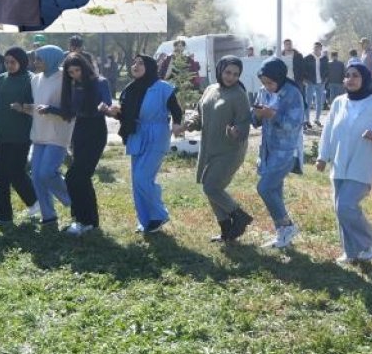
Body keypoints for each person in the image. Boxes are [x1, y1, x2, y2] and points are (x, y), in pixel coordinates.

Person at [316, 63, 372, 263]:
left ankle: (371, 240)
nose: (351, 79)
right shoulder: (339, 102)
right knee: (339, 208)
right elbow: (328, 130)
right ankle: (351, 252)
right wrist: (322, 156)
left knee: (346, 206)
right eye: (347, 76)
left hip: (362, 163)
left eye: (355, 75)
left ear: (364, 79)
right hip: (339, 163)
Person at [107, 55, 185, 232]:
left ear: (149, 67)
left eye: (140, 63)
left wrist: (178, 124)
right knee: (137, 180)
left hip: (157, 134)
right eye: (134, 62)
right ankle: (146, 220)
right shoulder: (130, 89)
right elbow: (126, 116)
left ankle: (159, 215)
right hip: (136, 134)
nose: (135, 65)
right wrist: (112, 113)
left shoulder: (163, 87)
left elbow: (176, 109)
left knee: (143, 177)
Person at [39, 53, 112, 236]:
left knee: (75, 177)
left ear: (84, 67)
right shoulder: (73, 85)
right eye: (71, 72)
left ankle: (84, 220)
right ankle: (88, 222)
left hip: (95, 131)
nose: (75, 74)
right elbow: (70, 112)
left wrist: (104, 107)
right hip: (78, 131)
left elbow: (107, 103)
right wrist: (50, 109)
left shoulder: (100, 82)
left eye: (77, 70)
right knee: (82, 179)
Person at [190, 55, 254, 243]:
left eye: (235, 74)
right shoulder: (210, 89)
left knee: (212, 187)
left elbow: (245, 123)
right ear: (220, 70)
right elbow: (199, 112)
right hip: (210, 147)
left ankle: (240, 216)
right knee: (210, 188)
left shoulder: (239, 95)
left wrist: (237, 131)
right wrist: (190, 122)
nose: (231, 77)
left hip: (230, 150)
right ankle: (226, 230)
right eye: (228, 72)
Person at [251, 58, 306, 249]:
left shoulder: (293, 94)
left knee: (264, 188)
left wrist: (272, 115)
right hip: (268, 149)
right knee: (275, 190)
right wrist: (257, 115)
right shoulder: (263, 92)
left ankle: (287, 226)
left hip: (287, 151)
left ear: (280, 78)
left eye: (270, 82)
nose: (267, 87)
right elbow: (255, 119)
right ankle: (283, 236)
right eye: (263, 83)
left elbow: (294, 123)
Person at [0, 47, 42, 227]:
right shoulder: (0, 79)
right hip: (1, 134)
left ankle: (35, 202)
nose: (9, 65)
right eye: (6, 62)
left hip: (21, 134)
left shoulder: (30, 79)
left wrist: (23, 108)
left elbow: (37, 106)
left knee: (15, 171)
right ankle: (2, 215)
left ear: (22, 61)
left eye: (13, 62)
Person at [27, 45, 72, 226]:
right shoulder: (35, 79)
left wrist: (51, 110)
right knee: (36, 176)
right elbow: (37, 104)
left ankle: (73, 200)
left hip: (58, 133)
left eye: (39, 59)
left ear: (52, 59)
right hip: (39, 132)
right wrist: (25, 108)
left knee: (46, 172)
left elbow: (70, 109)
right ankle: (48, 216)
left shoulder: (65, 78)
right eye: (35, 59)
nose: (36, 62)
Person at [301, 41, 329, 127]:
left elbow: (327, 70)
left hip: (321, 83)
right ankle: (307, 120)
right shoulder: (307, 58)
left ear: (321, 48)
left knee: (319, 102)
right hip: (310, 82)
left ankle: (317, 119)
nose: (316, 49)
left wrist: (325, 79)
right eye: (315, 47)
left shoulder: (324, 59)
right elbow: (303, 70)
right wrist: (305, 80)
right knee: (308, 102)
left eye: (318, 47)